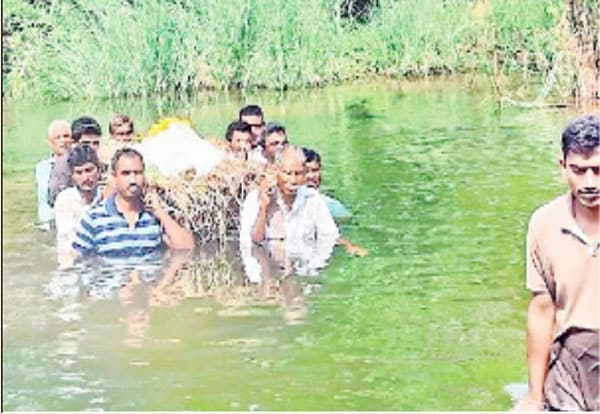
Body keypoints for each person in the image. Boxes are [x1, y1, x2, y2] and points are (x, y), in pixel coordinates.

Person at [516, 115, 599, 411]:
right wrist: (535, 396)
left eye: (598, 170)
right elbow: (542, 310)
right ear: (562, 166)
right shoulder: (545, 223)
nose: (590, 183)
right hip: (571, 360)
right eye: (578, 170)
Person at [72, 148, 195, 259]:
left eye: (137, 173)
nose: (133, 180)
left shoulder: (155, 216)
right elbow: (81, 263)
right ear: (114, 176)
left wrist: (160, 213)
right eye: (126, 173)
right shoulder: (94, 219)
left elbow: (186, 249)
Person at [240, 145, 339, 247]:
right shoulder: (254, 198)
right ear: (276, 171)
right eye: (288, 173)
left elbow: (330, 237)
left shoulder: (312, 199)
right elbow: (251, 242)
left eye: (298, 173)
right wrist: (264, 208)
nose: (293, 180)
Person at [302, 147, 368, 256]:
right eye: (305, 172)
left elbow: (346, 227)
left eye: (315, 170)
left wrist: (348, 245)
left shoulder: (332, 206)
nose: (310, 176)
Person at [54, 145, 103, 268]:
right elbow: (70, 240)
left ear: (99, 170)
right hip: (71, 260)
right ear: (72, 176)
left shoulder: (108, 196)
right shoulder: (65, 200)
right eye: (79, 173)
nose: (85, 178)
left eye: (89, 170)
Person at [48, 116, 102, 207]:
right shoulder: (64, 166)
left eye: (96, 143)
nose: (92, 147)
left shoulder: (102, 160)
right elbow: (54, 199)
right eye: (86, 143)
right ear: (73, 143)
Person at [35, 119, 72, 230]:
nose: (63, 141)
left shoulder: (79, 164)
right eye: (58, 137)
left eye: (66, 136)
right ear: (50, 142)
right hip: (47, 222)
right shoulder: (42, 167)